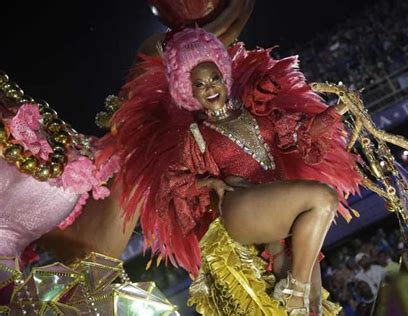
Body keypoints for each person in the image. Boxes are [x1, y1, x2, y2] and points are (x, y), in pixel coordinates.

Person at [103, 27, 362, 315]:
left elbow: (302, 133)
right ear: (188, 91)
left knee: (311, 297)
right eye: (200, 84)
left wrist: (337, 111)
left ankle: (299, 297)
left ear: (225, 77)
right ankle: (295, 292)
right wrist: (209, 183)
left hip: (277, 204)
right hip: (241, 205)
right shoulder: (194, 134)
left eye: (214, 78)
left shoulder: (256, 112)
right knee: (323, 198)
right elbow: (172, 183)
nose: (210, 87)